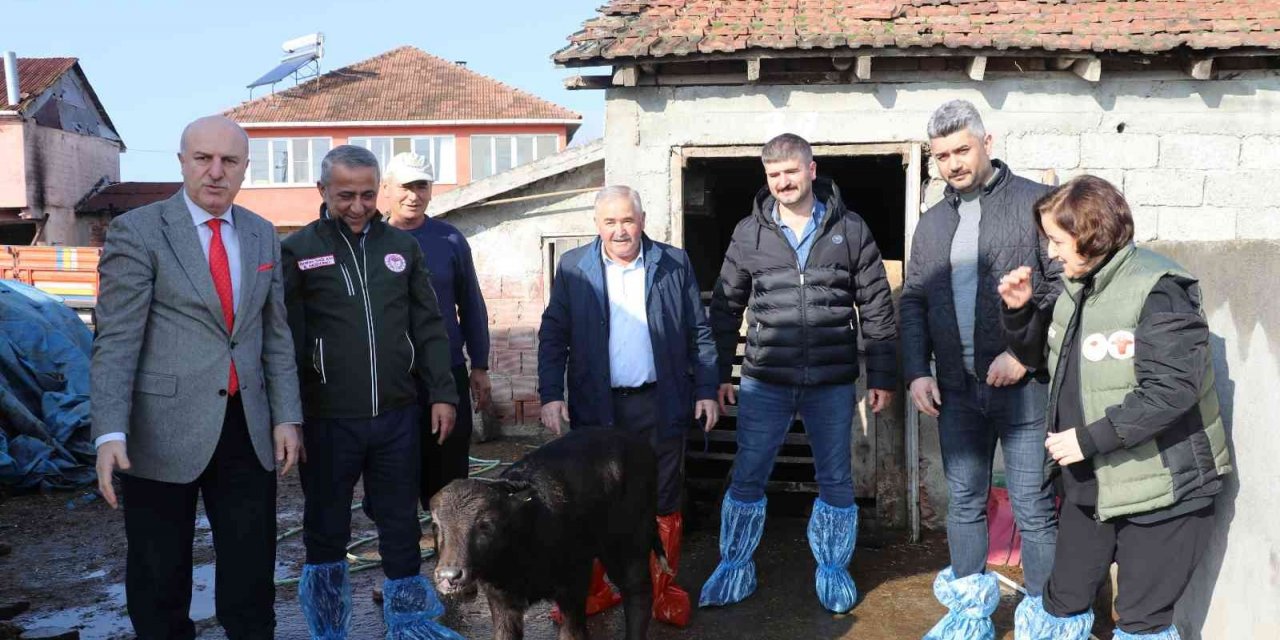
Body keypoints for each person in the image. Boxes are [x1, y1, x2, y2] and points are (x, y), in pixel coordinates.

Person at [91, 115, 303, 640]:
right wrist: (109, 432)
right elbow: (116, 340)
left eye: (229, 161)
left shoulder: (261, 234)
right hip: (159, 429)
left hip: (246, 427)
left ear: (244, 169)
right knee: (159, 577)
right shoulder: (138, 231)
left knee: (252, 574)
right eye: (203, 159)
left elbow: (274, 333)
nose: (215, 172)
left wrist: (287, 417)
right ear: (182, 163)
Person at [1000, 175, 1232, 640]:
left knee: (1141, 619)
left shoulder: (1158, 290)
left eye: (1057, 241)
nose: (1050, 253)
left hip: (1162, 493)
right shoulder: (1077, 289)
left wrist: (1086, 439)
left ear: (1092, 235)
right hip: (1094, 487)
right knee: (1062, 601)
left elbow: (1171, 392)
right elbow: (1045, 365)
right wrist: (1021, 313)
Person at [701, 133, 898, 614]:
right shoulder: (749, 233)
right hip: (765, 377)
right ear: (766, 178)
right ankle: (734, 566)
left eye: (791, 171)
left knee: (835, 478)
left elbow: (876, 305)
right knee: (748, 473)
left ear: (812, 169)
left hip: (831, 381)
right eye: (774, 174)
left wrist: (883, 376)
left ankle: (832, 569)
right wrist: (717, 377)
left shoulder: (849, 229)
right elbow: (726, 308)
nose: (783, 181)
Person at [282, 145, 462, 640]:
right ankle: (329, 629)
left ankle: (409, 624)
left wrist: (443, 393)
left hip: (397, 416)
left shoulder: (402, 249)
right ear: (322, 191)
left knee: (400, 522)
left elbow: (429, 324)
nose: (358, 206)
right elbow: (287, 340)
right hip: (327, 418)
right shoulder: (298, 250)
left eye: (366, 194)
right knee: (325, 526)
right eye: (345, 195)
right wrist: (288, 414)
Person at [901, 100, 1061, 639]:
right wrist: (915, 372)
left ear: (986, 143)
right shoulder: (931, 224)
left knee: (1032, 503)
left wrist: (1025, 354)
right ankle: (970, 615)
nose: (953, 163)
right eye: (942, 155)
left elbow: (1064, 288)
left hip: (1023, 390)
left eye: (961, 150)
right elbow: (914, 302)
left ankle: (1044, 620)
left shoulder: (1034, 204)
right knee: (964, 500)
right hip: (956, 389)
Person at [537, 185, 719, 627]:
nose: (620, 230)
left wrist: (707, 390)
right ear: (596, 225)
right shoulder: (574, 267)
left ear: (642, 219)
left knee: (662, 496)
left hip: (660, 403)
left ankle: (662, 591)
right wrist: (551, 395)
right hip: (597, 408)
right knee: (590, 501)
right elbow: (553, 335)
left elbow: (700, 331)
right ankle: (594, 590)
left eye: (627, 220)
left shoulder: (673, 263)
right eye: (610, 222)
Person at [382, 152, 491, 537]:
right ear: (386, 189)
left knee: (447, 475)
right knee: (395, 474)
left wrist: (479, 364)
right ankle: (401, 571)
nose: (414, 195)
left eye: (422, 186)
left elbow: (471, 303)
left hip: (446, 374)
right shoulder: (373, 240)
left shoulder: (448, 239)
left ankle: (449, 566)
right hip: (391, 380)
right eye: (405, 187)